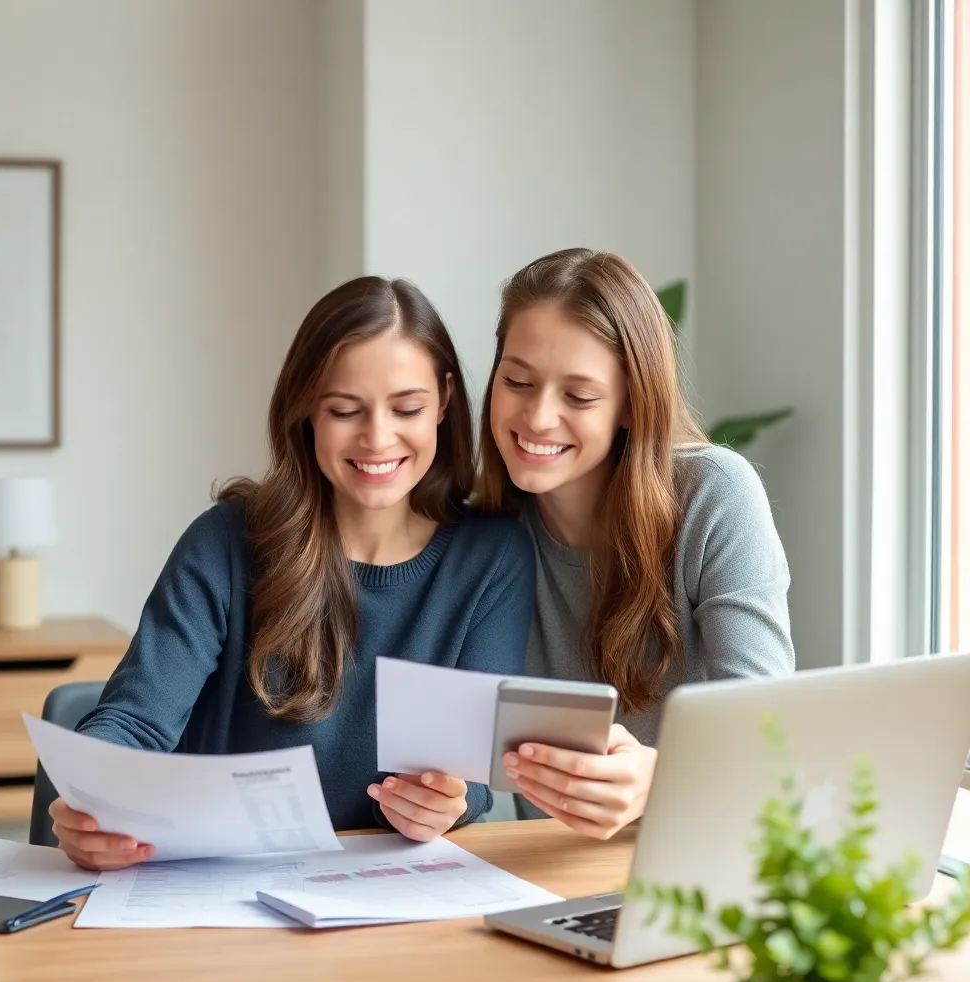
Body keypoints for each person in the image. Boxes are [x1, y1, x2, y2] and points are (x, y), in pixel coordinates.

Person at [51, 276, 535, 870]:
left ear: (444, 399)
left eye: (406, 408)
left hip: (391, 895)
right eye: (344, 410)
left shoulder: (493, 557)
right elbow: (133, 719)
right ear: (306, 408)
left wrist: (448, 803)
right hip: (219, 892)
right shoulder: (227, 541)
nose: (377, 437)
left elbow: (474, 773)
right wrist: (90, 798)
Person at [478, 248, 794, 839]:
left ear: (630, 405)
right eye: (517, 380)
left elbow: (765, 726)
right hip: (550, 869)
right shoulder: (485, 536)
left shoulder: (713, 493)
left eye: (579, 396)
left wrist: (663, 775)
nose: (538, 417)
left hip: (703, 850)